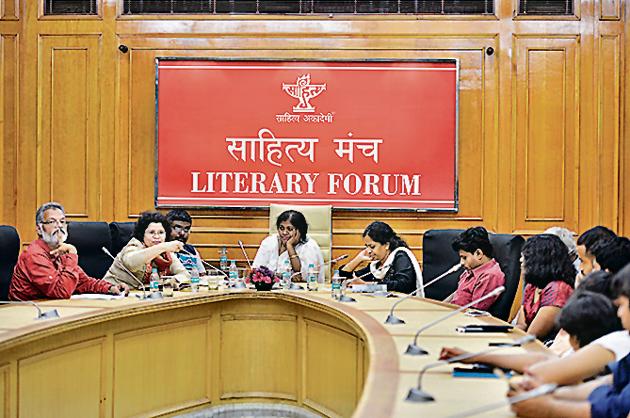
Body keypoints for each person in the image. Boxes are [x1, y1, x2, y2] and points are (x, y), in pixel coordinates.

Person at [509, 264, 630, 418]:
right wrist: (551, 395)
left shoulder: (621, 340)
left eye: (622, 305)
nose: (619, 313)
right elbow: (608, 383)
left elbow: (614, 409)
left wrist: (550, 408)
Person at [438, 289, 621, 373]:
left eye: (624, 305)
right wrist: (476, 356)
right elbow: (543, 360)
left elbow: (549, 368)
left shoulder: (612, 347)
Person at [9, 202, 128, 300]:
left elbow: (83, 282)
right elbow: (61, 292)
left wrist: (110, 288)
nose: (59, 226)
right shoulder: (34, 255)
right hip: (27, 312)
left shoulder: (62, 250)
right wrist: (72, 253)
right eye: (52, 222)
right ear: (39, 229)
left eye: (62, 221)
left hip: (51, 308)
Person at [103, 211, 190, 289]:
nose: (157, 237)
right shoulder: (134, 246)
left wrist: (170, 281)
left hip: (141, 296)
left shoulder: (166, 253)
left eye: (161, 232)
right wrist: (162, 247)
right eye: (151, 232)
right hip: (113, 293)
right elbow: (132, 263)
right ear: (142, 234)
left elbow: (185, 275)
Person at [514, 234, 575, 340]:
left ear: (540, 260)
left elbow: (533, 335)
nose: (520, 260)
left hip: (548, 350)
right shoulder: (532, 286)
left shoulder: (558, 289)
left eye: (526, 257)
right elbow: (521, 325)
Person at [339, 221, 421, 294]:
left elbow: (403, 285)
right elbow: (342, 278)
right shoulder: (376, 265)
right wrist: (357, 260)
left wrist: (367, 285)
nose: (368, 251)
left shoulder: (400, 256)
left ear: (386, 245)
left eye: (372, 246)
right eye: (366, 247)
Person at [253, 210, 325, 282]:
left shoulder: (310, 246)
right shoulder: (269, 242)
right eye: (281, 228)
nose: (284, 232)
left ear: (299, 231)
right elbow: (256, 271)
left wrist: (289, 246)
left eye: (289, 229)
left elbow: (305, 278)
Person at [447, 226, 505, 310]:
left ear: (478, 254)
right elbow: (457, 294)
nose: (461, 263)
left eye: (464, 258)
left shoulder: (490, 276)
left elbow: (475, 312)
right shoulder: (472, 269)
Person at [166, 209, 206, 275]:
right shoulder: (161, 251)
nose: (182, 233)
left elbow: (202, 275)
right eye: (177, 228)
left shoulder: (192, 251)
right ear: (167, 229)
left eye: (186, 229)